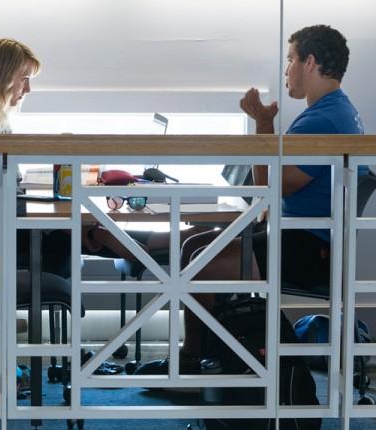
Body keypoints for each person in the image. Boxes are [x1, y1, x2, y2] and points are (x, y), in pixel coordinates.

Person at [135, 24, 364, 374]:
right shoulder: (336, 110)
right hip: (301, 237)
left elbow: (270, 186)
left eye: (290, 60)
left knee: (199, 262)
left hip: (306, 248)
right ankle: (200, 355)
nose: (286, 70)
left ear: (310, 62)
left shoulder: (323, 121)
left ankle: (199, 360)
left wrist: (262, 125)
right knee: (194, 246)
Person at [0, 38, 196, 279]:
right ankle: (156, 248)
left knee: (82, 228)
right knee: (81, 232)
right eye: (24, 79)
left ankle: (158, 244)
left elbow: (6, 188)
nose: (28, 89)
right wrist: (69, 226)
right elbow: (5, 198)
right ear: (2, 78)